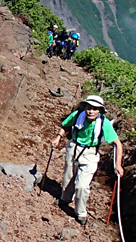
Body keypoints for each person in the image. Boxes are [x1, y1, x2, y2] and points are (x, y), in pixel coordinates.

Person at [50, 95, 124, 225]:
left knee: (82, 185)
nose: (91, 111)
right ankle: (65, 199)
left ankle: (81, 213)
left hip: (90, 153)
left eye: (95, 109)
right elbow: (65, 126)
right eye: (89, 108)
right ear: (85, 107)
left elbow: (117, 144)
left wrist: (118, 164)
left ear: (100, 111)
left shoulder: (104, 123)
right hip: (73, 147)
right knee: (68, 177)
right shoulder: (78, 115)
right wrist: (58, 137)